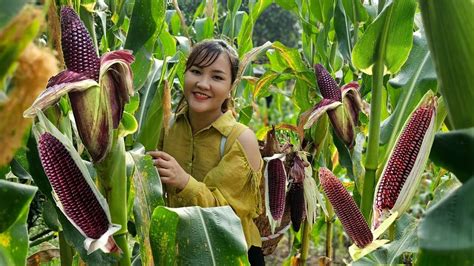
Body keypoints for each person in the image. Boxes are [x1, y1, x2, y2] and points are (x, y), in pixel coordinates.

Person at [148, 39, 265, 265]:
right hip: (179, 250)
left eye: (217, 77)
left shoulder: (241, 139)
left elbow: (231, 216)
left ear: (231, 87)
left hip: (231, 254)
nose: (203, 83)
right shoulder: (166, 126)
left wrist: (184, 182)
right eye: (196, 71)